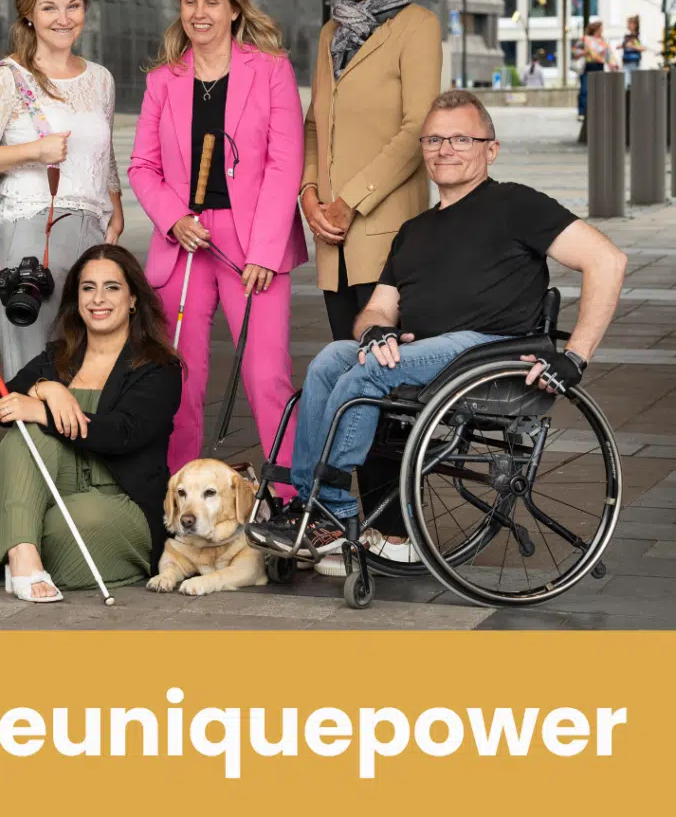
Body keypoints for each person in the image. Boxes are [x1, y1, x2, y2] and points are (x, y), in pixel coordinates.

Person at [247, 90, 628, 560]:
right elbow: (379, 308)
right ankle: (315, 507)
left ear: (491, 149)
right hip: (425, 353)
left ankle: (324, 513)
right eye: (433, 139)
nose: (445, 149)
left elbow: (607, 261)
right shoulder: (414, 230)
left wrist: (576, 356)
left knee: (371, 372)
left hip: (489, 351)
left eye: (461, 138)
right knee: (331, 360)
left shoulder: (517, 205)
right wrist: (374, 332)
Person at [298, 0, 442, 553]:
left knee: (385, 384)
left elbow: (418, 131)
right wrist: (308, 192)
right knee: (346, 382)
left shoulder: (418, 27)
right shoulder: (331, 32)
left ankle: (394, 529)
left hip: (386, 238)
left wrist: (348, 200)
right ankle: (347, 520)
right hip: (333, 244)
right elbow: (314, 125)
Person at [128, 0, 307, 482]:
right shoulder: (164, 80)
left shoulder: (271, 69)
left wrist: (266, 251)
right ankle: (179, 493)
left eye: (211, 2)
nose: (199, 13)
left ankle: (286, 497)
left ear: (233, 9)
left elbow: (284, 163)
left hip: (253, 244)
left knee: (266, 374)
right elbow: (142, 166)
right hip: (184, 241)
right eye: (189, 1)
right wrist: (172, 218)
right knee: (179, 377)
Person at [0, 245, 182, 601]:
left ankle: (15, 539)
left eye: (112, 287)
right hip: (55, 487)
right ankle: (24, 553)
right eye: (87, 288)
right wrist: (48, 388)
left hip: (121, 499)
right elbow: (3, 402)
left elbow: (122, 434)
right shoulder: (58, 356)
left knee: (66, 528)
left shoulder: (158, 367)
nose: (98, 299)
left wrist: (42, 409)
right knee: (26, 432)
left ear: (133, 298)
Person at [0, 0, 124, 380]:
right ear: (28, 13)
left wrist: (115, 207)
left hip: (92, 232)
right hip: (31, 234)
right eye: (49, 7)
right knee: (37, 368)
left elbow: (104, 155)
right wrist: (34, 151)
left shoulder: (100, 79)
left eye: (73, 5)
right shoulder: (8, 78)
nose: (63, 18)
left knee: (90, 368)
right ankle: (32, 446)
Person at [574, 20, 618, 120]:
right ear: (596, 29)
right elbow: (576, 51)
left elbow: (608, 56)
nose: (602, 30)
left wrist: (612, 65)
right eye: (601, 28)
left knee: (599, 90)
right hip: (588, 66)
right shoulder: (585, 39)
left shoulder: (602, 41)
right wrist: (585, 52)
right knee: (585, 90)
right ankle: (582, 113)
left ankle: (596, 112)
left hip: (599, 66)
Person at [618, 15, 646, 89]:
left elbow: (643, 48)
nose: (628, 25)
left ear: (635, 25)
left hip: (635, 63)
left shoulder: (640, 36)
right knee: (626, 84)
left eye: (630, 23)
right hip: (626, 63)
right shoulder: (625, 36)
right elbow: (618, 46)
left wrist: (632, 46)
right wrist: (624, 45)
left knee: (636, 84)